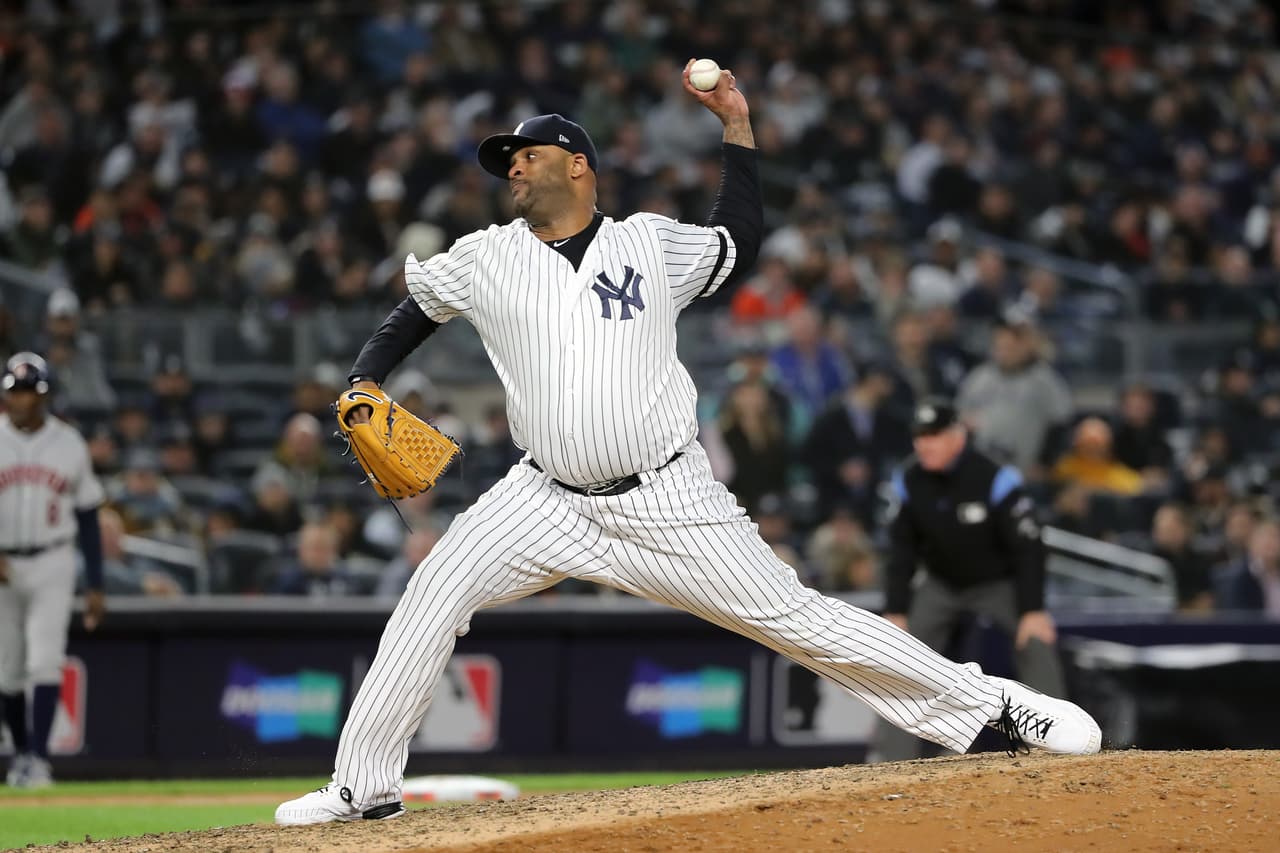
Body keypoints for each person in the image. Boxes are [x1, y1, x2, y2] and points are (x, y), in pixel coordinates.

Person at [275, 63, 1100, 827]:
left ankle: (994, 706)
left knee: (800, 620)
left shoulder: (647, 241)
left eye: (527, 155)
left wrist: (736, 124)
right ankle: (362, 786)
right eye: (506, 161)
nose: (513, 169)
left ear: (578, 165)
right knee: (431, 594)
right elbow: (414, 308)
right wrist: (364, 379)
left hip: (666, 495)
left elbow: (737, 237)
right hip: (542, 496)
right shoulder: (487, 256)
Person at [873, 397, 1068, 762]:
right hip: (941, 583)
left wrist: (1033, 609)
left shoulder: (994, 477)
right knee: (898, 652)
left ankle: (1060, 746)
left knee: (1036, 639)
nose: (924, 444)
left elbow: (1029, 547)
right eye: (919, 436)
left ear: (956, 436)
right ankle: (891, 758)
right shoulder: (909, 479)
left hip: (997, 582)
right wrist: (896, 609)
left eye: (934, 435)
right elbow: (900, 550)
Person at [0, 353, 106, 788]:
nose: (24, 400)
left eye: (32, 392)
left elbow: (87, 515)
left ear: (44, 397)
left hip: (53, 558)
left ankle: (38, 760)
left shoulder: (68, 443)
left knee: (45, 661)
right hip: (3, 564)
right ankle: (23, 753)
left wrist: (96, 582)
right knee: (6, 669)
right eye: (17, 391)